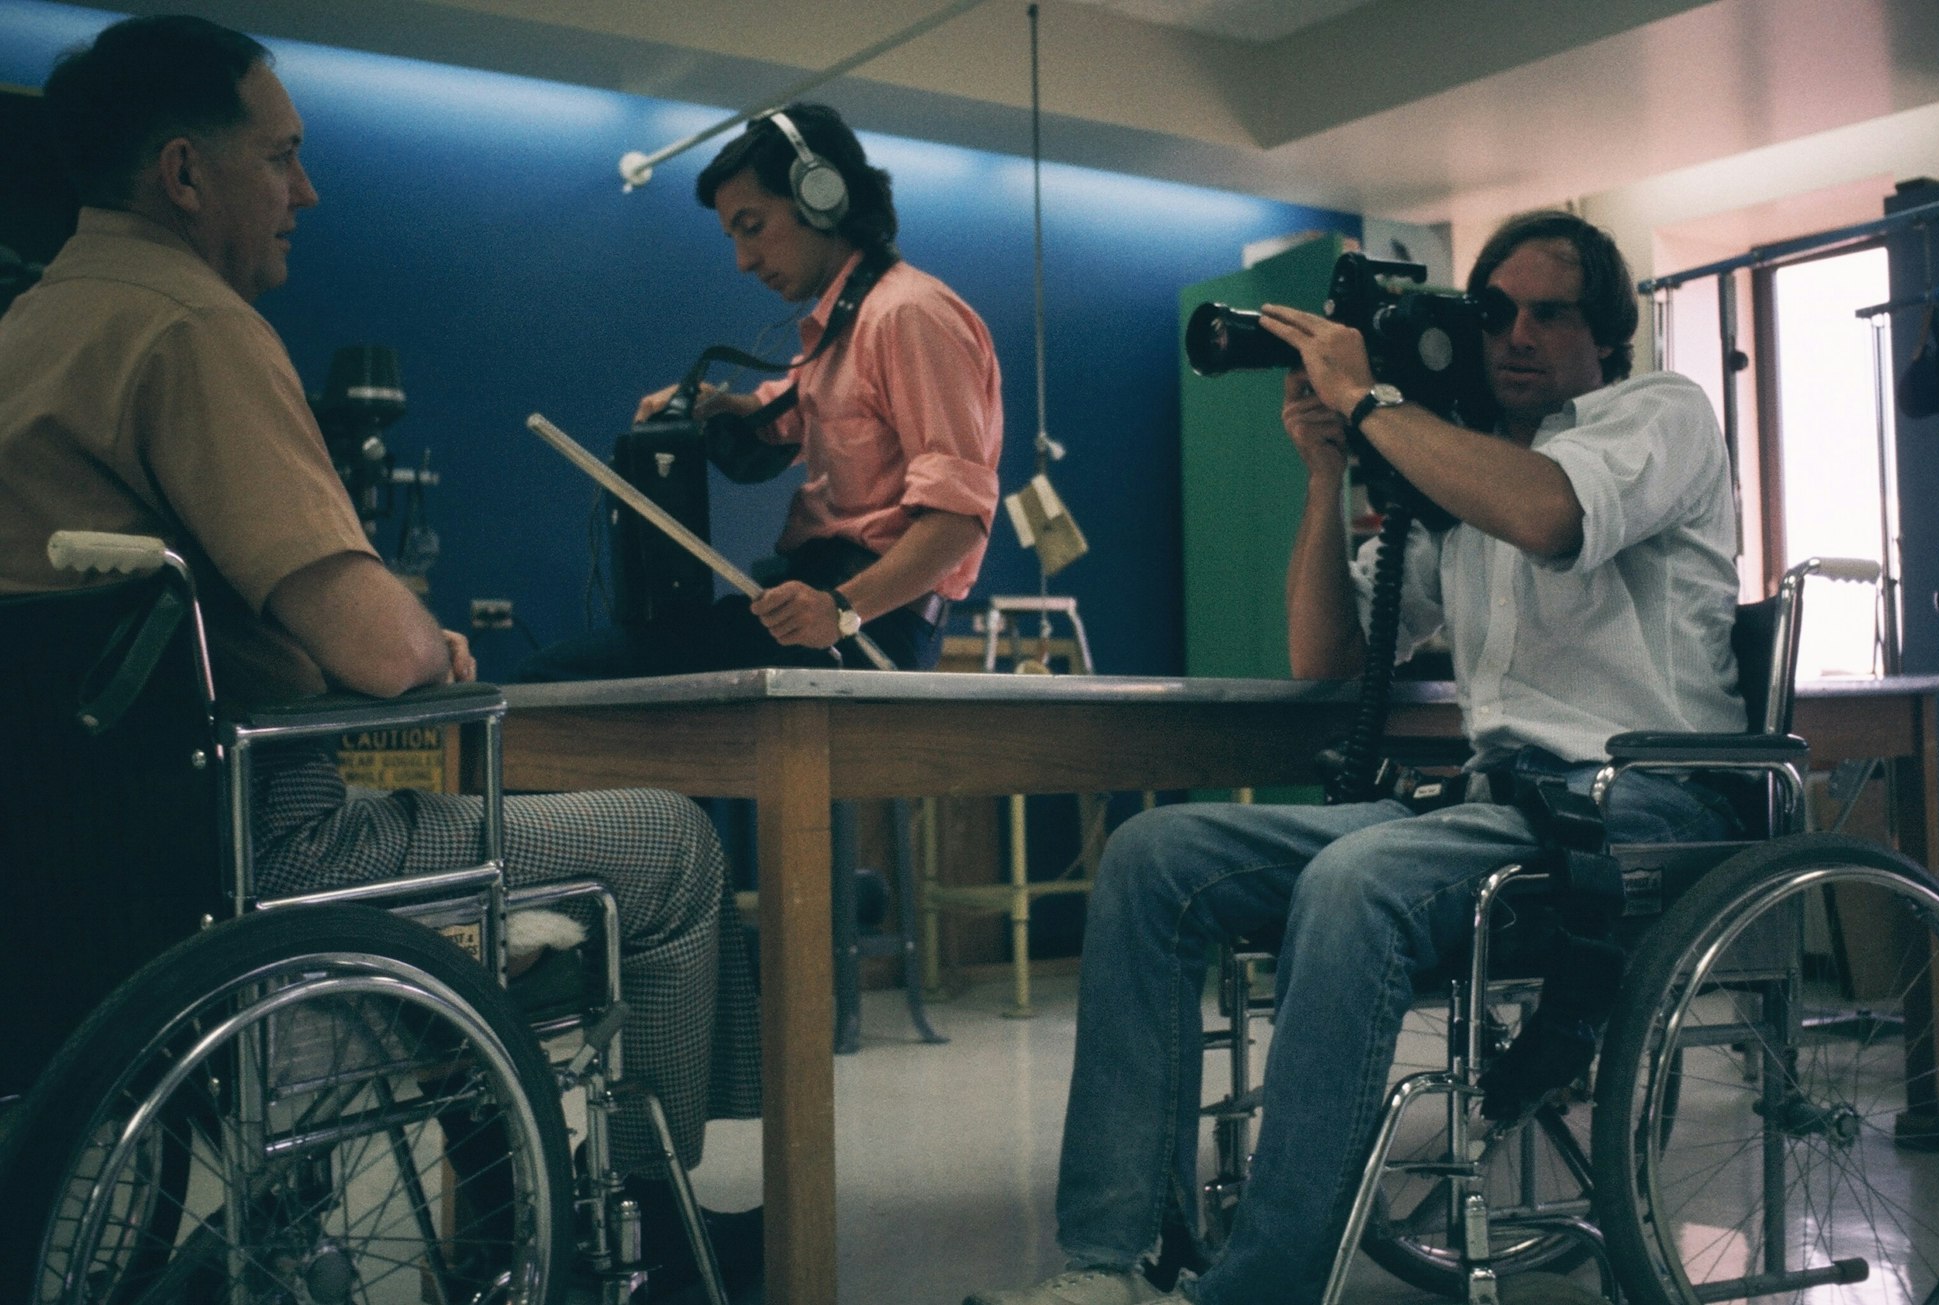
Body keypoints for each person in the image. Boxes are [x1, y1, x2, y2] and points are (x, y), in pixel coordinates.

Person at [0, 15, 760, 1293]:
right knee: (670, 845)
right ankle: (648, 1230)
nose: (308, 190)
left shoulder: (29, 330)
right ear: (185, 174)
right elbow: (386, 652)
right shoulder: (191, 326)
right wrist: (416, 640)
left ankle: (498, 1194)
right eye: (284, 157)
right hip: (262, 855)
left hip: (70, 875)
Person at [968, 210, 1747, 1305]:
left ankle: (1261, 1289)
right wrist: (1325, 474)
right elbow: (1322, 650)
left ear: (1606, 332)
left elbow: (1548, 514)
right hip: (1504, 811)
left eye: (1549, 312)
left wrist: (1371, 402)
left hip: (1643, 811)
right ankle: (1111, 1264)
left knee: (1355, 877)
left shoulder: (1656, 412)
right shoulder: (1458, 460)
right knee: (1153, 855)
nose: (1515, 334)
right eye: (1495, 312)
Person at [519, 103, 1003, 679]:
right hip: (816, 605)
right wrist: (716, 407)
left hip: (864, 624)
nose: (744, 261)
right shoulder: (839, 330)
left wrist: (842, 610)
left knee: (555, 679)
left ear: (822, 196)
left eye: (753, 228)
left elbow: (959, 521)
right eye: (734, 238)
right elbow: (780, 423)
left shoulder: (910, 315)